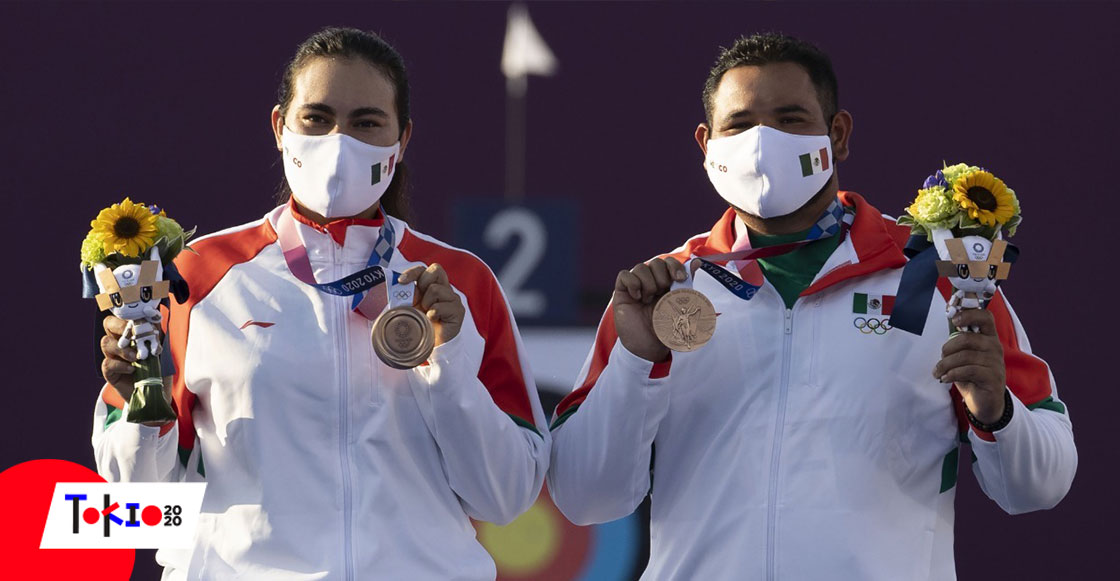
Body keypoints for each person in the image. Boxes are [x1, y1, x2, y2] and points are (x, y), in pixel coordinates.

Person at [546, 33, 1075, 580]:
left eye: (791, 119)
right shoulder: (664, 291)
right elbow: (586, 499)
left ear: (838, 134)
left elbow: (1041, 485)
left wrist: (998, 410)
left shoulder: (938, 275)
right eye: (739, 124)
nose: (761, 142)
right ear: (706, 144)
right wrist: (637, 362)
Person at [92, 27, 550, 580]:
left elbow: (507, 499)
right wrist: (138, 409)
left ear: (401, 141)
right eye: (316, 117)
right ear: (279, 128)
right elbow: (142, 507)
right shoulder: (196, 277)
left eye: (365, 122)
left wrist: (446, 369)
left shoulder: (459, 282)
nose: (339, 141)